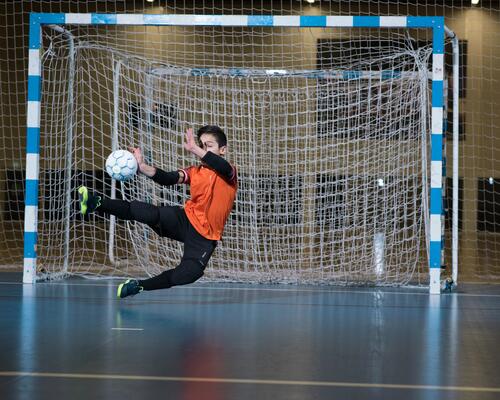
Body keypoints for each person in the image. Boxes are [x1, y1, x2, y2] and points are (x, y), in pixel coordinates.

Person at [77, 125, 238, 298]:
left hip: (205, 236)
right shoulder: (194, 172)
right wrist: (141, 166)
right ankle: (96, 202)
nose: (203, 149)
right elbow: (167, 178)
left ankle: (138, 286)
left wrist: (195, 148)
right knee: (148, 213)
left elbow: (219, 164)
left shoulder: (229, 172)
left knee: (190, 274)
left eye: (209, 145)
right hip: (185, 219)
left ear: (223, 150)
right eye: (201, 144)